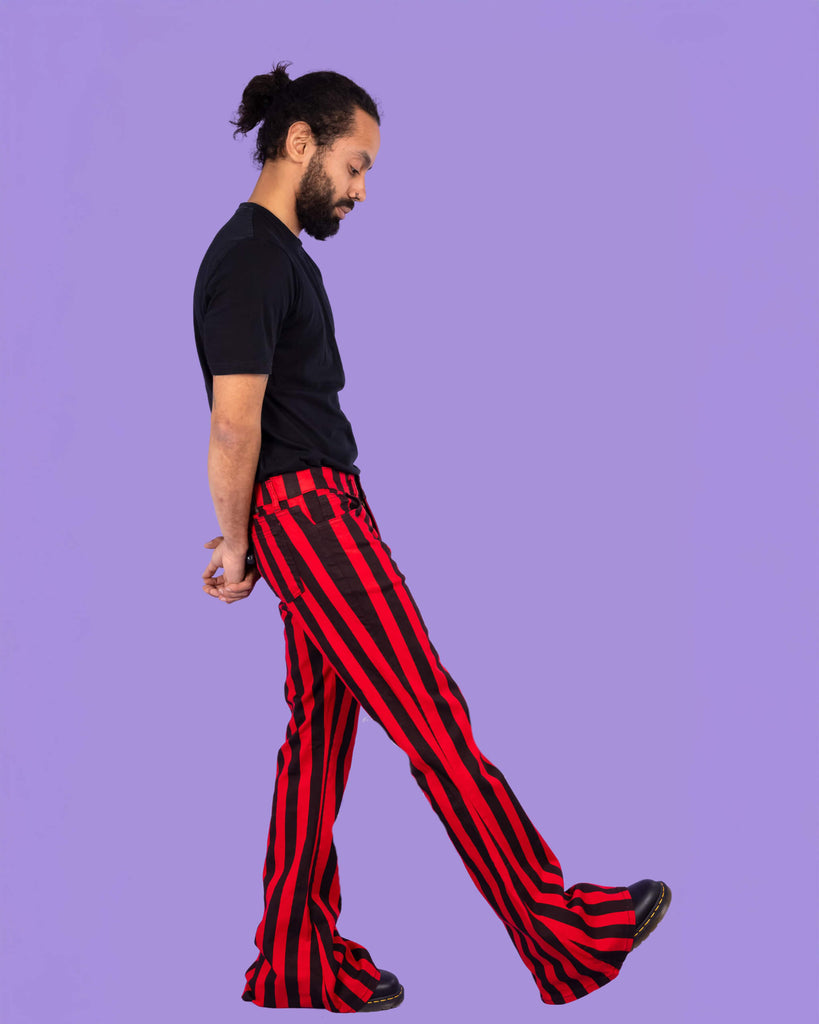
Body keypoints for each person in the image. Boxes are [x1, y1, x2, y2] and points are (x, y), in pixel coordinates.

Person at [192, 60, 671, 1014]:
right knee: (431, 719)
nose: (361, 191)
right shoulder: (247, 256)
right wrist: (236, 543)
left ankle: (293, 956)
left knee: (318, 741)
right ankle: (561, 935)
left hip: (324, 512)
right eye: (356, 166)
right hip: (306, 517)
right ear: (301, 145)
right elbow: (233, 422)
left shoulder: (281, 259)